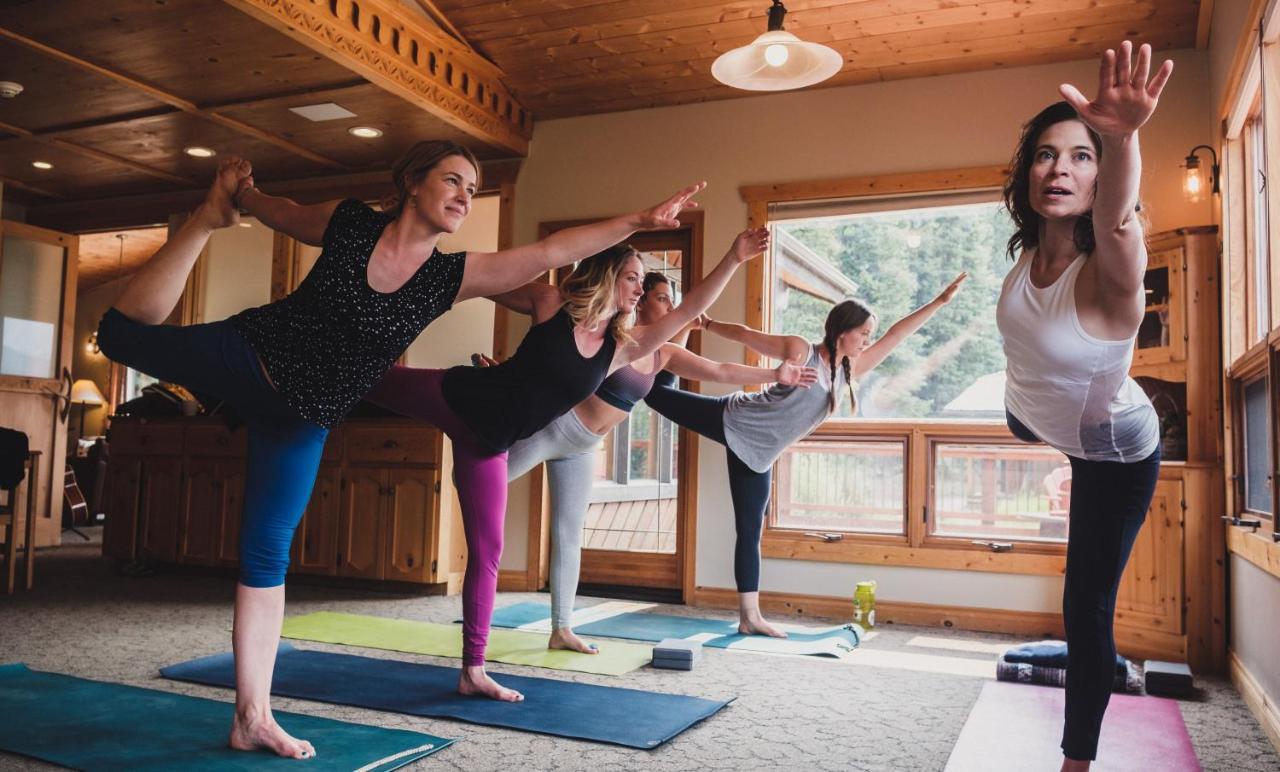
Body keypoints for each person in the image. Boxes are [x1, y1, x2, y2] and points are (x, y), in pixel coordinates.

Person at [95, 141, 705, 759]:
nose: (466, 195)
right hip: (252, 356)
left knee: (265, 558)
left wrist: (635, 221)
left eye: (473, 186)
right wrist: (235, 200)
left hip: (306, 419)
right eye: (454, 180)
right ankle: (202, 222)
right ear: (413, 183)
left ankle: (252, 716)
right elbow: (279, 211)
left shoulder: (450, 276)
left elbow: (549, 253)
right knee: (117, 334)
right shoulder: (351, 222)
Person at [362, 229, 768, 701]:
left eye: (643, 282)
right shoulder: (551, 301)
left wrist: (734, 257)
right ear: (607, 274)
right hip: (461, 396)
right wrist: (414, 261)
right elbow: (482, 280)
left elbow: (688, 310)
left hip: (493, 445)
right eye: (632, 278)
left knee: (489, 552)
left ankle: (475, 669)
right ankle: (288, 368)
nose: (639, 289)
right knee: (368, 376)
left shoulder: (624, 348)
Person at [996, 42, 1172, 770]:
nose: (1059, 168)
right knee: (1021, 409)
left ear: (1103, 177)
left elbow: (1123, 226)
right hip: (1041, 417)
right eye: (1045, 155)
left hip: (1112, 450)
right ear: (1027, 173)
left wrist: (1125, 134)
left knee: (1085, 607)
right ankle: (1033, 426)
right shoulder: (1027, 254)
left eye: (1080, 155)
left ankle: (1077, 760)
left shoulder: (1110, 272)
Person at [501, 270, 819, 655]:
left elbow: (719, 370)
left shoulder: (663, 351)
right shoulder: (613, 335)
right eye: (661, 297)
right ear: (642, 299)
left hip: (585, 445)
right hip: (552, 427)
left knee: (568, 533)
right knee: (481, 483)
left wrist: (773, 373)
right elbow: (554, 360)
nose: (668, 305)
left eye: (670, 299)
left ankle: (562, 629)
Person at [645, 274, 967, 637]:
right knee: (653, 394)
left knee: (749, 531)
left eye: (868, 335)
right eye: (863, 333)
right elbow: (748, 335)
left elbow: (896, 335)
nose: (867, 341)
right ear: (842, 331)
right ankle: (650, 348)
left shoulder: (848, 372)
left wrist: (939, 302)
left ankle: (749, 617)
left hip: (759, 453)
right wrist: (704, 322)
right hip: (733, 417)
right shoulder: (803, 351)